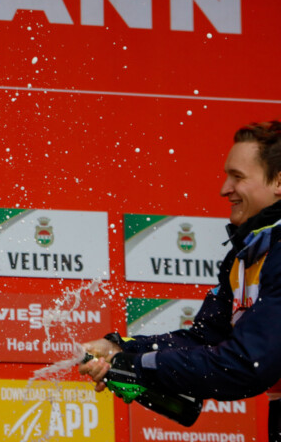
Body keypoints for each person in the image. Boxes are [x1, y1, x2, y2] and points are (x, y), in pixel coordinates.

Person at [79, 121, 281, 439]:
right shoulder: (247, 254)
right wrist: (121, 348)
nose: (224, 189)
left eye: (238, 177)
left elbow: (247, 364)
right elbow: (206, 340)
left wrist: (138, 366)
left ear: (279, 181)